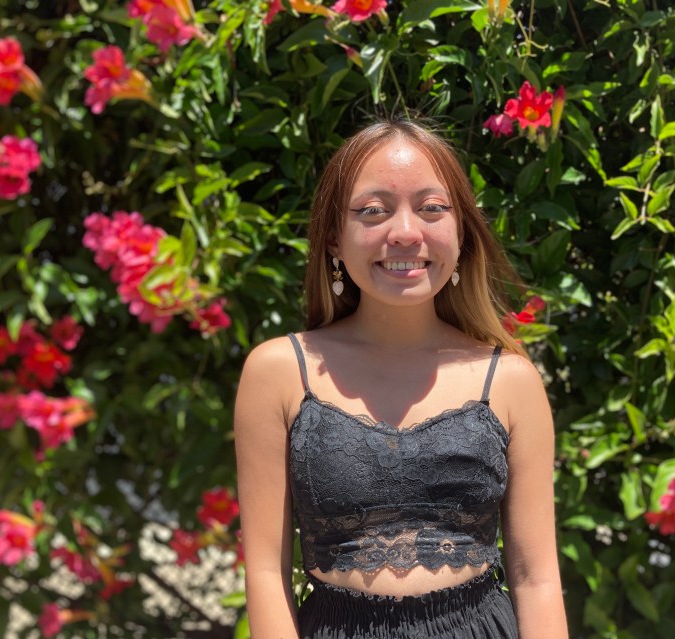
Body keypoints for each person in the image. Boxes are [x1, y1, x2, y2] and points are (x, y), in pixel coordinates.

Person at [234, 120, 568, 639]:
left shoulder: (510, 380)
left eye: (432, 208)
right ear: (333, 241)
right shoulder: (278, 373)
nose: (406, 232)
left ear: (462, 234)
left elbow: (536, 578)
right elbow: (265, 573)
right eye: (373, 211)